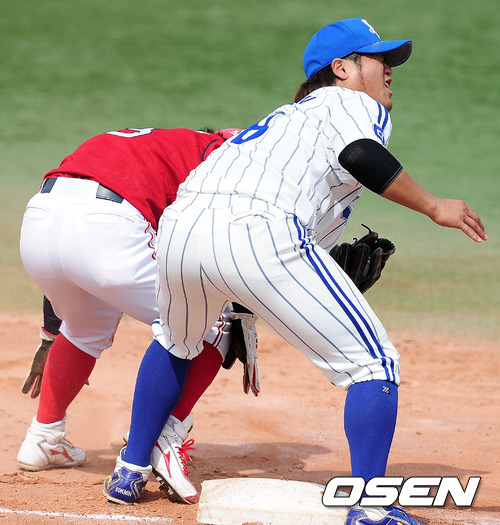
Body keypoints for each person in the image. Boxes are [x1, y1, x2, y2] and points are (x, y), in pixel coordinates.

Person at [102, 18, 487, 525]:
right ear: (342, 69)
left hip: (182, 227)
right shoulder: (349, 102)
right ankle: (370, 507)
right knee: (374, 365)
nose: (390, 70)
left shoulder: (283, 120)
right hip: (259, 229)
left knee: (177, 340)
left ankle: (129, 469)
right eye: (379, 60)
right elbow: (359, 155)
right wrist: (435, 206)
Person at [17, 126, 244, 505]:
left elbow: (69, 232)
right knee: (213, 319)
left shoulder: (150, 144)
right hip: (109, 226)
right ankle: (159, 440)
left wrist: (51, 331)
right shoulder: (225, 152)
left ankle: (43, 438)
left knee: (84, 326)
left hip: (38, 221)